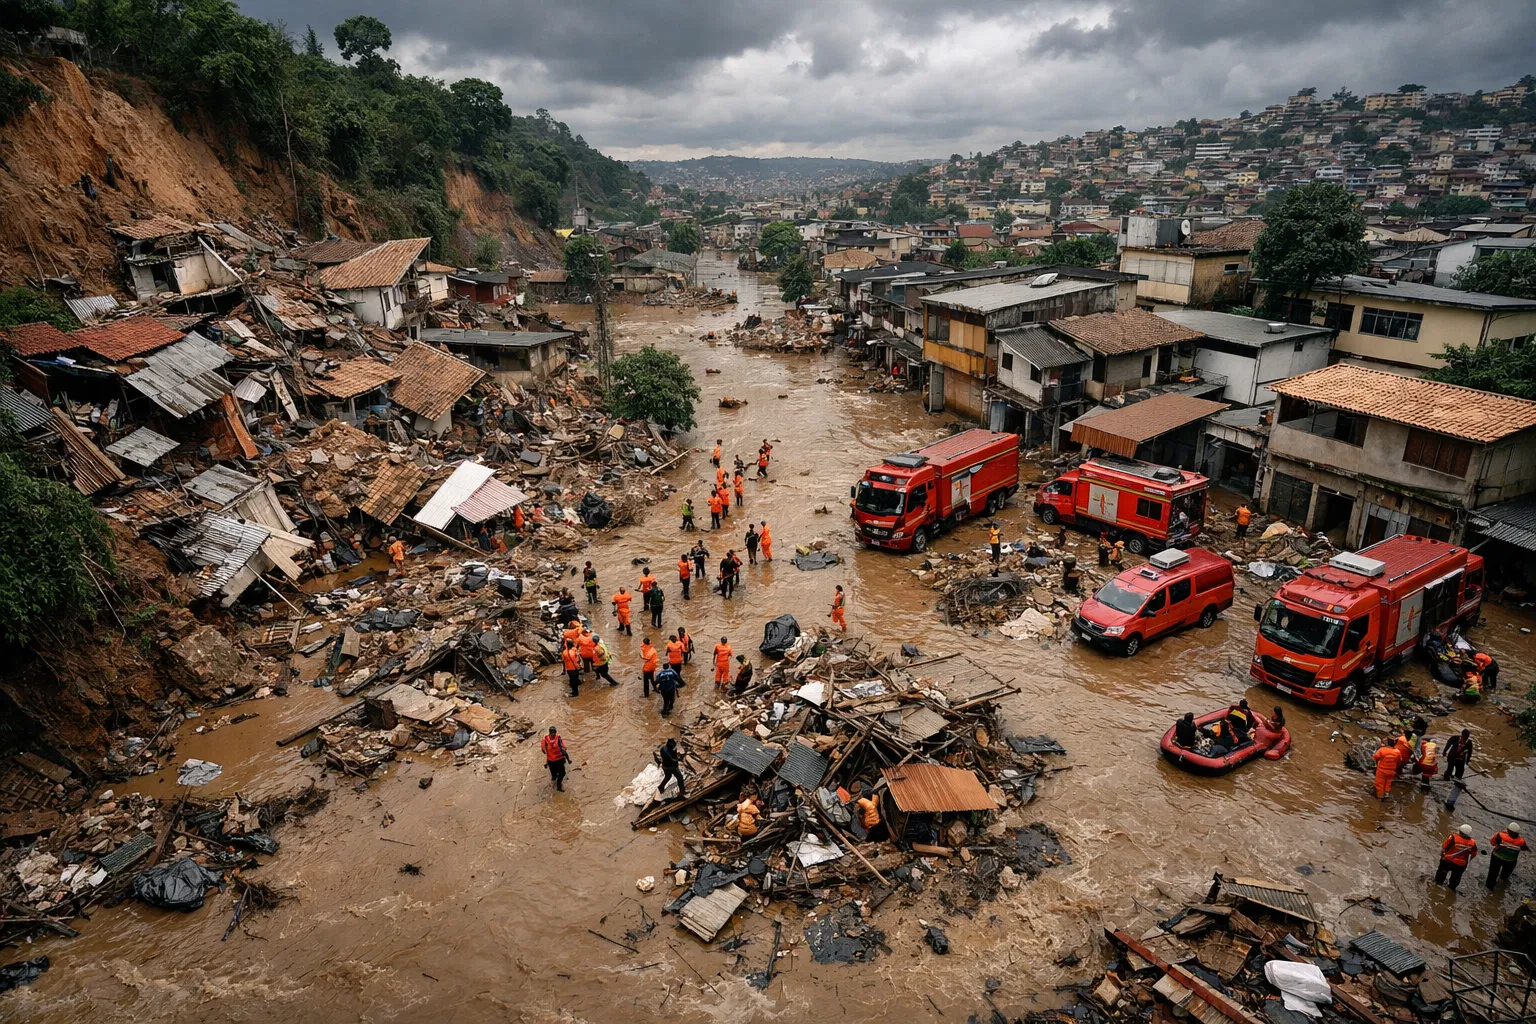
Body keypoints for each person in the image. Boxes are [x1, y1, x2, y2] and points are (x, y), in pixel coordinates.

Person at [1435, 825, 1479, 891]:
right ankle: (1451, 890)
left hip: (1447, 861)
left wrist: (1442, 856)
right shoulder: (1472, 843)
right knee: (1455, 879)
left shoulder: (1453, 837)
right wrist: (1468, 861)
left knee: (1441, 875)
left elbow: (1444, 848)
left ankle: (1437, 887)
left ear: (1460, 831)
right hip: (1461, 864)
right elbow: (1474, 854)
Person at [1487, 824, 1526, 890]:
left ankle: (1489, 887)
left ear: (1508, 830)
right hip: (1510, 860)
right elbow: (1524, 849)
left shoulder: (1500, 835)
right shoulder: (1522, 841)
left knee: (1492, 874)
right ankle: (1501, 887)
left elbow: (1492, 843)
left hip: (1496, 857)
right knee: (1505, 876)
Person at [541, 727, 569, 791]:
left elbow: (544, 750)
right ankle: (558, 785)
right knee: (561, 773)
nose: (554, 734)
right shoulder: (557, 738)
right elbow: (564, 747)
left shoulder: (545, 739)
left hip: (554, 760)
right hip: (556, 760)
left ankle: (556, 786)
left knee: (555, 775)